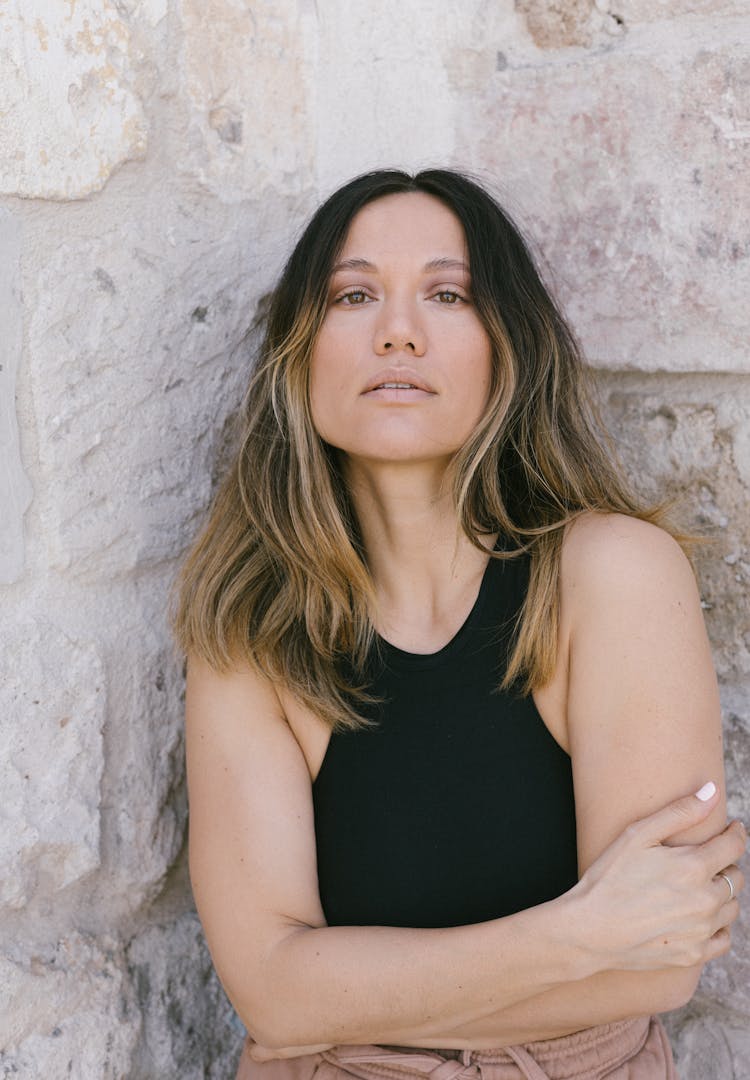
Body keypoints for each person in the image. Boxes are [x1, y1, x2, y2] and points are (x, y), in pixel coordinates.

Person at [174, 169, 746, 1080]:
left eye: (448, 295)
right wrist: (582, 934)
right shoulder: (254, 629)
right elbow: (270, 998)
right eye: (354, 295)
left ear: (506, 349)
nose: (398, 331)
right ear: (301, 352)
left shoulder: (611, 577)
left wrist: (348, 995)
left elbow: (661, 962)